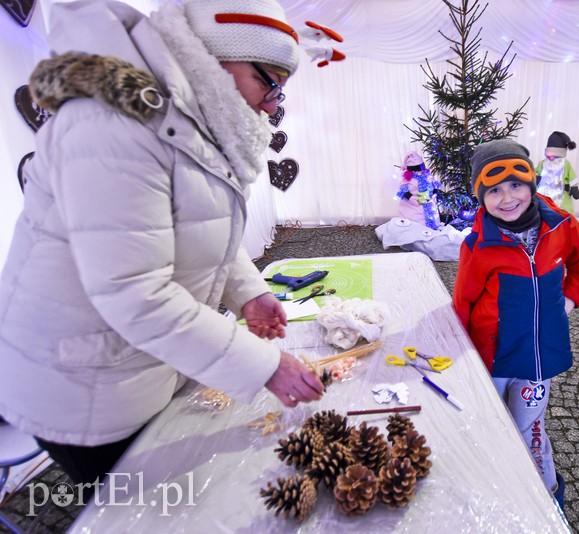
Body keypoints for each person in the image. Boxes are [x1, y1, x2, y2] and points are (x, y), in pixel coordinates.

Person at [0, 0, 324, 490]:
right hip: (82, 383)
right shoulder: (113, 125)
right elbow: (133, 292)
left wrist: (248, 292)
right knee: (143, 510)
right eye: (269, 81)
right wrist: (265, 365)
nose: (272, 103)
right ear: (215, 55)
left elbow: (194, 226)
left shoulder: (183, 120)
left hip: (130, 365)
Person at [452, 139, 579, 511]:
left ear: (532, 184)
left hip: (538, 360)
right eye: (494, 190)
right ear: (481, 197)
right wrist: (465, 361)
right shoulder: (478, 246)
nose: (507, 198)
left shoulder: (561, 226)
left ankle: (547, 502)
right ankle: (491, 493)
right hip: (494, 359)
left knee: (529, 430)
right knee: (487, 425)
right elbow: (463, 304)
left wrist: (568, 300)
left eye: (517, 185)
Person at [535, 131, 579, 213]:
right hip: (544, 194)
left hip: (562, 195)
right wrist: (536, 179)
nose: (552, 158)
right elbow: (536, 173)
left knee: (564, 211)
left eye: (555, 156)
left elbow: (572, 176)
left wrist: (574, 187)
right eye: (549, 156)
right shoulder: (542, 164)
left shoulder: (566, 164)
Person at [396, 151, 443, 229]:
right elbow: (404, 190)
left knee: (431, 215)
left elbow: (434, 184)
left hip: (429, 201)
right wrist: (412, 199)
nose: (421, 170)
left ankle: (433, 225)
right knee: (417, 224)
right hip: (413, 205)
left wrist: (434, 193)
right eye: (418, 168)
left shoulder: (427, 175)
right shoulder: (408, 179)